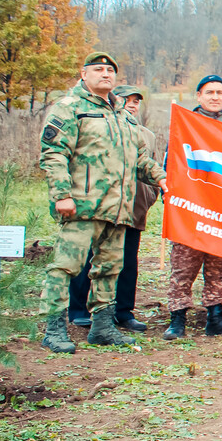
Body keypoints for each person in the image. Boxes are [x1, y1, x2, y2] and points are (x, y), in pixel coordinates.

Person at [39, 55, 169, 353]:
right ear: (83, 74)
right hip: (82, 206)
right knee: (65, 267)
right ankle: (54, 329)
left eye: (110, 70)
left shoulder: (123, 115)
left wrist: (161, 178)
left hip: (118, 208)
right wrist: (61, 195)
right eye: (98, 69)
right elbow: (54, 153)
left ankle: (102, 327)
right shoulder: (71, 107)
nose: (106, 74)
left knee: (109, 270)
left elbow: (139, 158)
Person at [66, 84, 160, 334]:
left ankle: (123, 312)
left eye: (136, 101)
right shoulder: (100, 127)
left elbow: (150, 166)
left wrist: (151, 195)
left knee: (128, 261)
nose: (132, 104)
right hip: (101, 205)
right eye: (126, 99)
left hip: (133, 206)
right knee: (90, 257)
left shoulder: (147, 135)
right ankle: (79, 310)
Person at [164, 73, 222, 340]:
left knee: (220, 265)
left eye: (220, 93)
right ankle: (177, 319)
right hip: (191, 204)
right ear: (199, 96)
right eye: (209, 92)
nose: (215, 97)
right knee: (183, 265)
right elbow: (172, 161)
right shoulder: (186, 123)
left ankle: (216, 317)